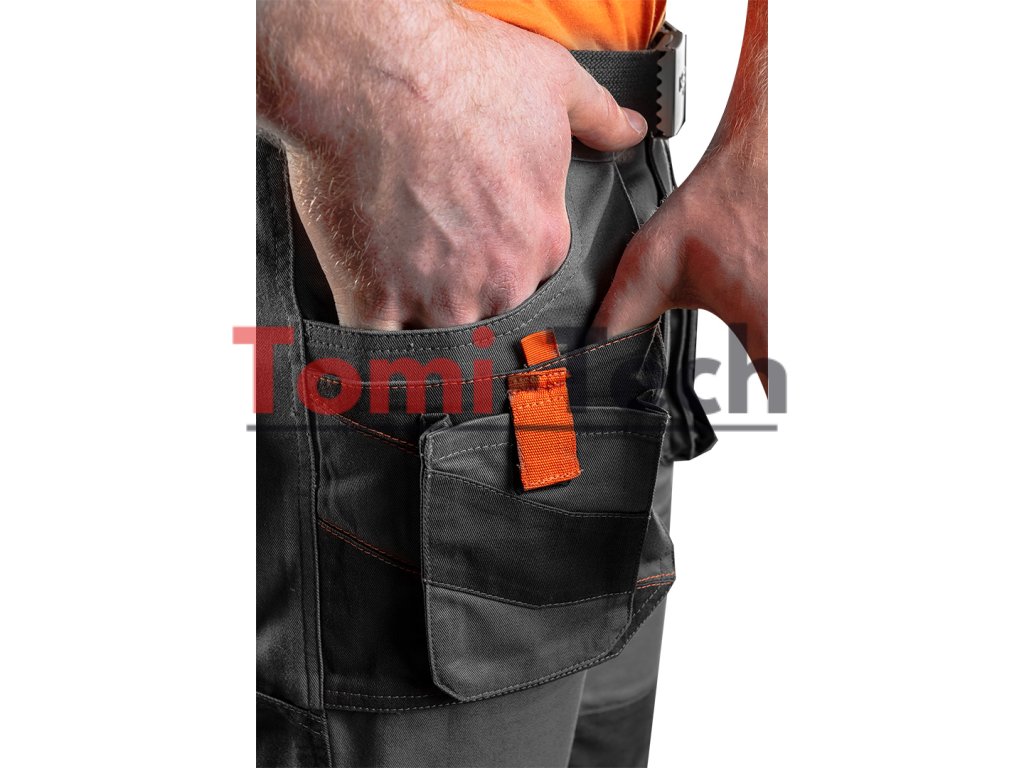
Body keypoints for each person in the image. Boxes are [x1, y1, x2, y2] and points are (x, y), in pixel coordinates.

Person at [254, 1, 767, 765]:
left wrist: (760, 142)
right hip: (408, 183)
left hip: (606, 187)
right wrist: (369, 70)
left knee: (604, 726)